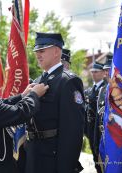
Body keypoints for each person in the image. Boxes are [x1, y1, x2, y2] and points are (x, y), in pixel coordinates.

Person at [25, 32, 85, 173]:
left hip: (52, 159)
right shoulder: (38, 81)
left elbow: (73, 132)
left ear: (56, 51)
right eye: (36, 51)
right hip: (33, 155)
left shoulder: (68, 81)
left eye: (42, 51)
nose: (38, 55)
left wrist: (65, 168)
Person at [84, 62, 106, 173]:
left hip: (101, 130)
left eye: (96, 72)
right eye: (92, 72)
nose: (93, 74)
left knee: (103, 158)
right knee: (95, 157)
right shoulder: (90, 90)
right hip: (91, 130)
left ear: (103, 73)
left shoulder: (105, 88)